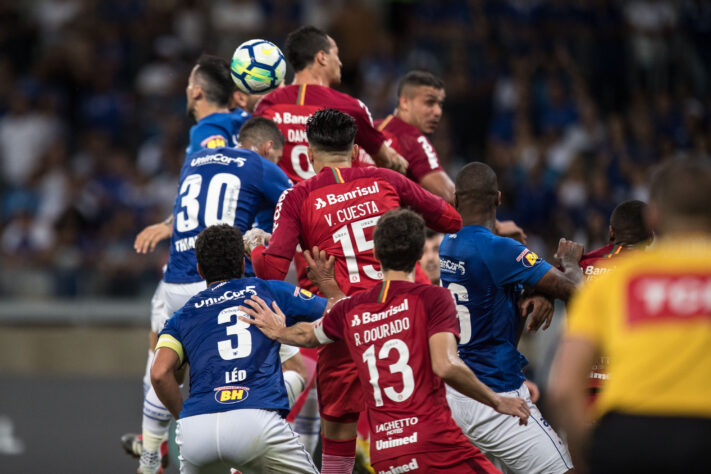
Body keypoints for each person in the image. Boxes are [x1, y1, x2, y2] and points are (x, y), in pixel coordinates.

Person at [249, 109, 463, 473]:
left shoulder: (298, 197)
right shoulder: (386, 179)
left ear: (311, 154)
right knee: (414, 425)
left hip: (345, 323)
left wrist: (254, 245)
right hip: (402, 319)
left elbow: (270, 271)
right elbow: (451, 219)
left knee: (338, 436)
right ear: (353, 148)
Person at [240, 209, 530, 473]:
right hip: (435, 444)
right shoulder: (433, 298)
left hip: (386, 455)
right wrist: (497, 400)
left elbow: (306, 335)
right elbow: (445, 365)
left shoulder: (350, 308)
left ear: (376, 252)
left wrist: (278, 331)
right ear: (419, 255)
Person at [127, 136, 300, 474]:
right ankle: (251, 440)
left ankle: (150, 456)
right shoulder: (258, 165)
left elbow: (185, 212)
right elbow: (297, 201)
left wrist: (164, 227)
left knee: (164, 368)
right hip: (224, 281)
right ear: (264, 146)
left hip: (176, 281)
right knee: (295, 370)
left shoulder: (194, 161)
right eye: (277, 153)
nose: (278, 158)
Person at [548, 160, 711, 474]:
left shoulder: (612, 277)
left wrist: (591, 454)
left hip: (624, 430)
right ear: (651, 228)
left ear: (656, 216)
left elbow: (563, 388)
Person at [439, 162, 583, 474]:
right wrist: (570, 264)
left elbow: (498, 280)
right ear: (499, 199)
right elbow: (572, 290)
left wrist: (538, 292)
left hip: (457, 391)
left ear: (455, 200)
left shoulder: (447, 243)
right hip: (497, 393)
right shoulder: (498, 249)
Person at [151, 224, 325, 474]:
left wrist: (183, 418)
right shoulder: (268, 290)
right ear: (244, 264)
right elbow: (338, 312)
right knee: (297, 371)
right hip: (256, 419)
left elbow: (159, 374)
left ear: (200, 270)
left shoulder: (181, 316)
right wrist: (328, 285)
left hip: (196, 429)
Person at [375, 70, 527, 243]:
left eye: (439, 104)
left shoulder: (374, 129)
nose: (437, 112)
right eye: (429, 103)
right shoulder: (413, 140)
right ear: (405, 103)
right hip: (383, 238)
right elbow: (450, 195)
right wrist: (496, 226)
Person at [253, 25, 408, 183]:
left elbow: (255, 158)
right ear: (322, 57)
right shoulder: (350, 107)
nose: (340, 63)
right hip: (330, 203)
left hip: (279, 202)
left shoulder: (267, 104)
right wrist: (401, 163)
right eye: (336, 54)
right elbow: (386, 160)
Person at [575, 199, 652, 402]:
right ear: (651, 237)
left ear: (611, 232)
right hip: (635, 386)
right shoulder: (658, 272)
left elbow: (540, 283)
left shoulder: (582, 263)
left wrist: (541, 297)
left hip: (585, 384)